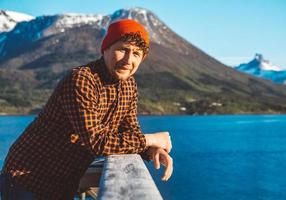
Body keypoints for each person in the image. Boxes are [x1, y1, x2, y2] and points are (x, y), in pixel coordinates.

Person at [0, 19, 173, 200]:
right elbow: (97, 141)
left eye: (137, 53)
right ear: (105, 49)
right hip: (26, 178)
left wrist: (152, 150)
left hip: (62, 183)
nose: (129, 60)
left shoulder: (129, 85)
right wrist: (151, 139)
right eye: (123, 50)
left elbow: (129, 130)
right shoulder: (83, 79)